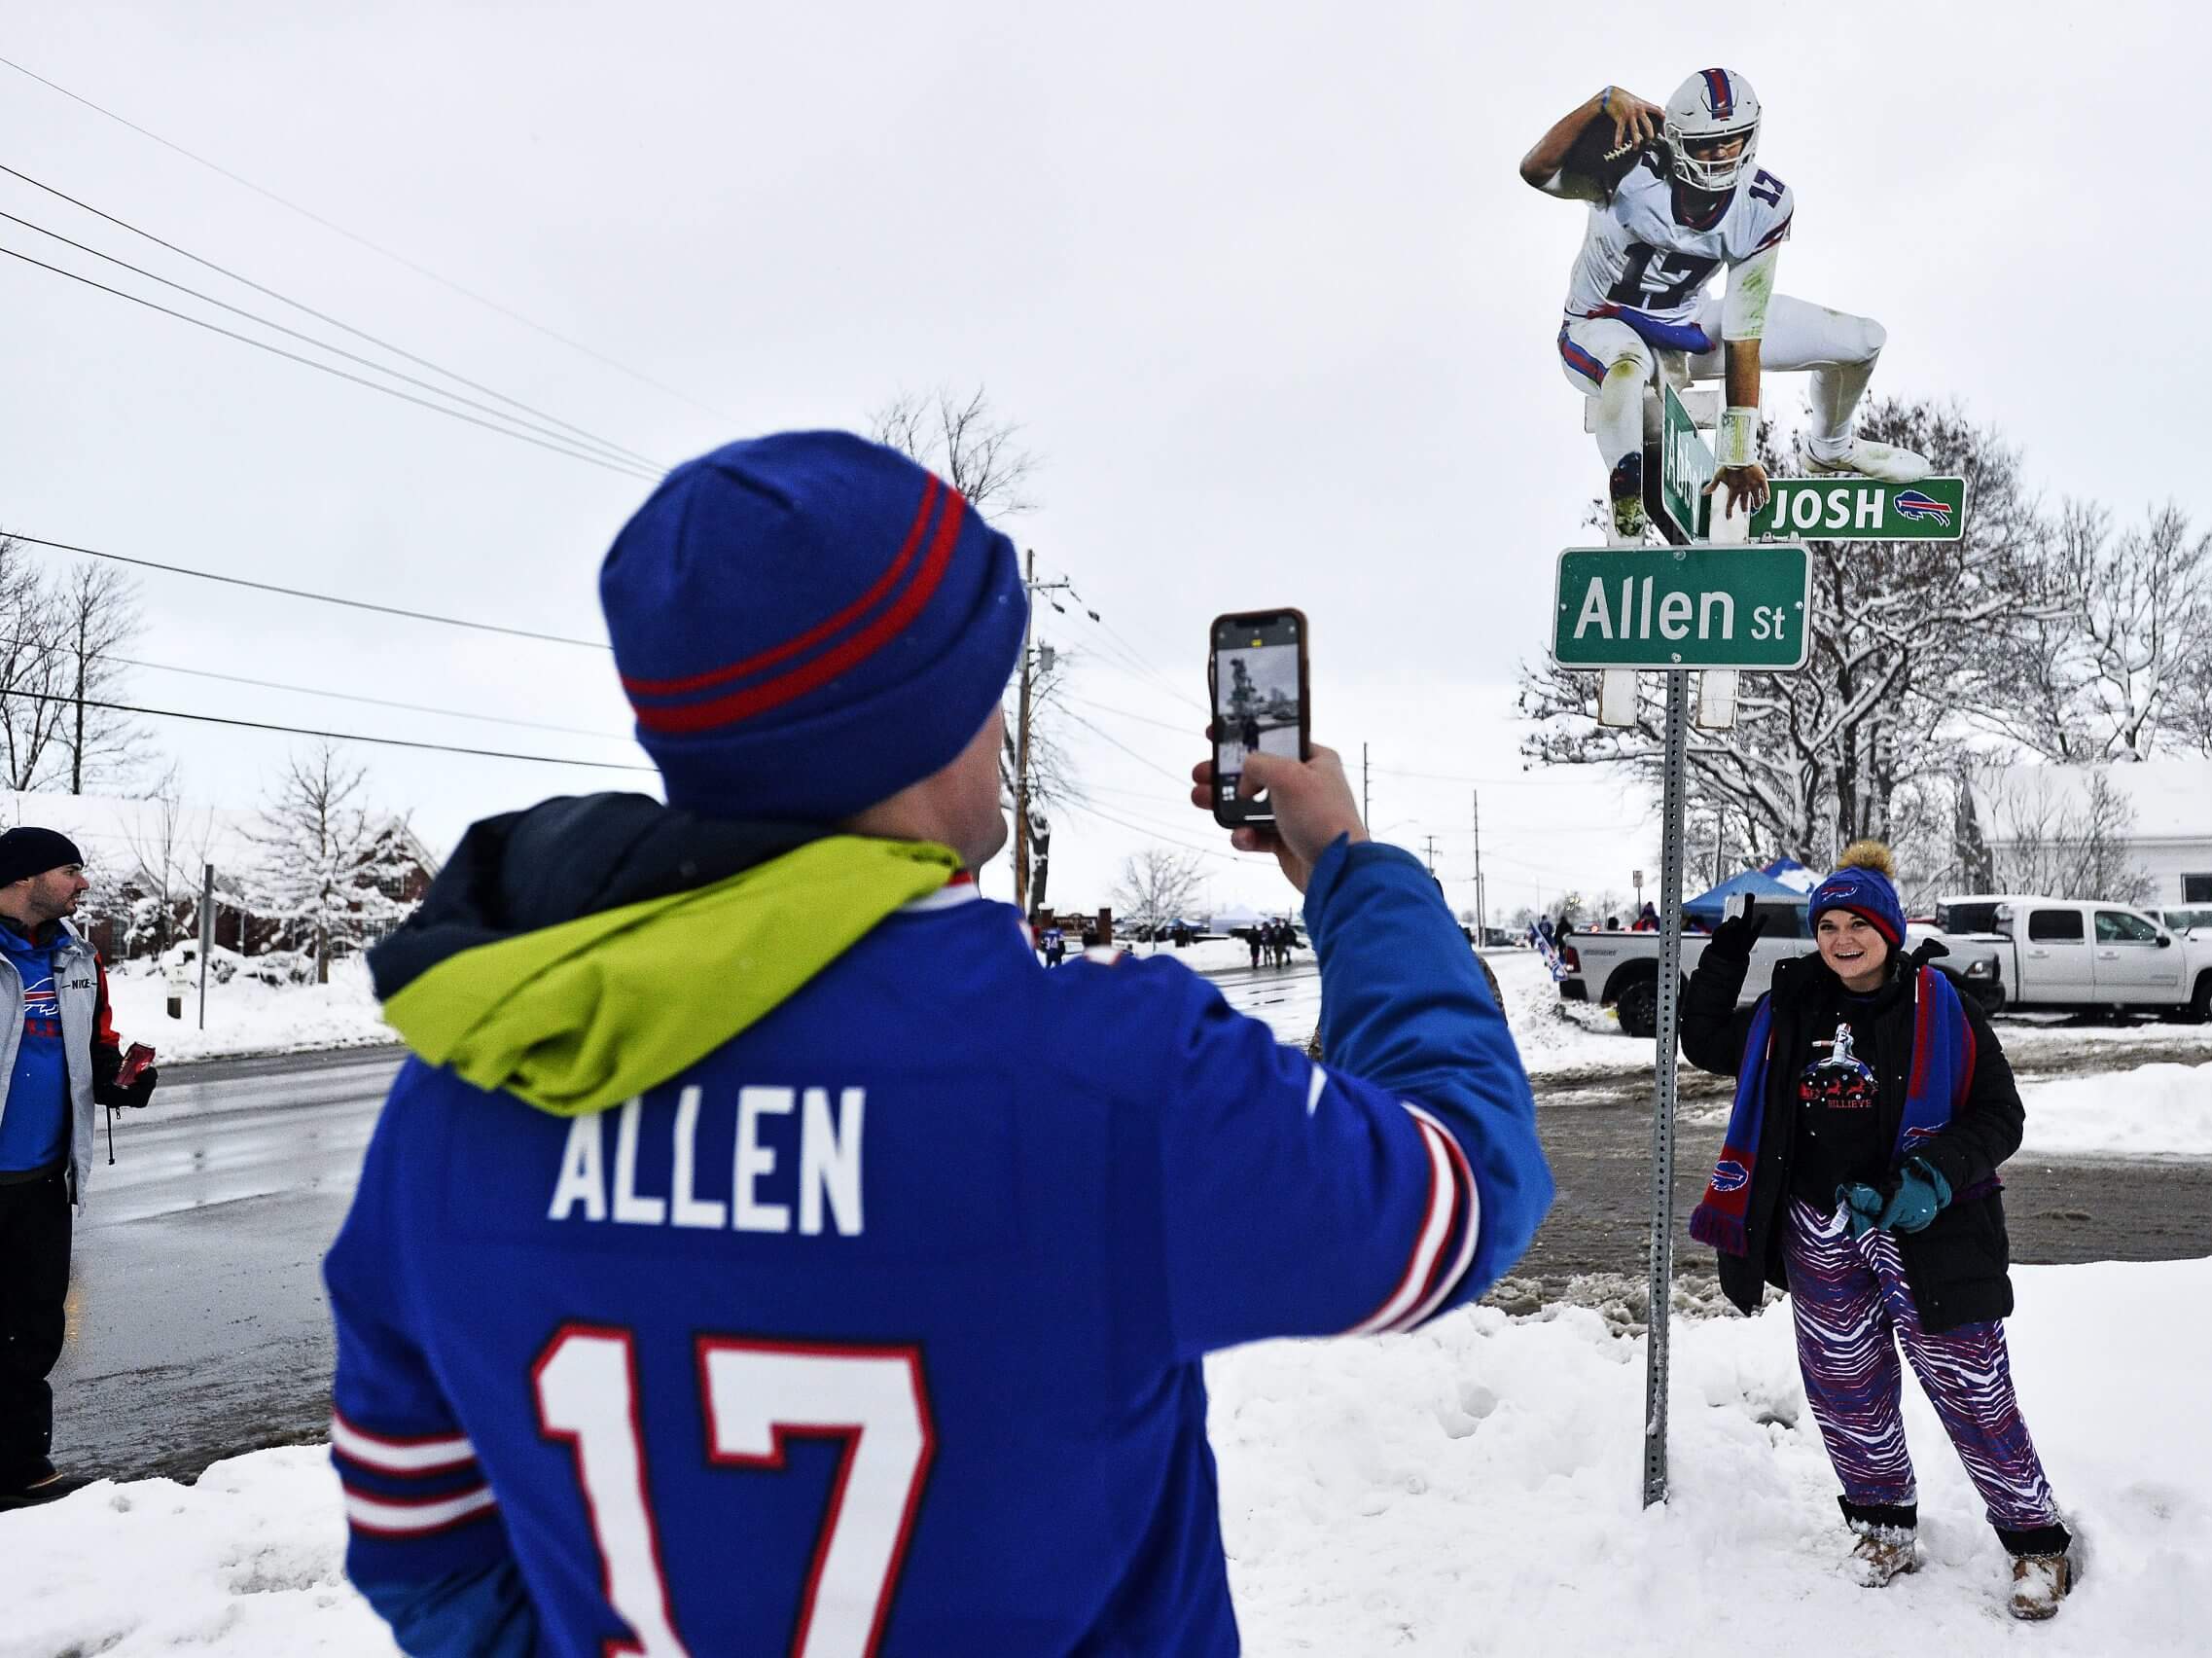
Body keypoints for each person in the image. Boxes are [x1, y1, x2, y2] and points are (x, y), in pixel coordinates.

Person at [324, 432, 1553, 1657]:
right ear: (917, 724)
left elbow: (419, 1533)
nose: (1004, 738)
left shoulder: (466, 1087)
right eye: (986, 691)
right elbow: (1464, 1180)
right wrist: (1352, 871)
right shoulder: (1110, 1077)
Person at [1682, 841, 2075, 1620]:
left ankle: (2037, 1544)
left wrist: (1933, 1177)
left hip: (1926, 1227)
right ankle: (1883, 1525)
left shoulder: (1943, 1005)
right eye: (1827, 924)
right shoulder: (1791, 1006)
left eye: (1856, 922)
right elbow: (1702, 1042)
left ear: (1888, 929)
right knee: (1846, 1388)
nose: (1840, 939)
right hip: (1817, 1225)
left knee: (1971, 1386)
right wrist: (1727, 951)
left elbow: (2001, 1116)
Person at [1520, 69, 1930, 539]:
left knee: (1862, 341)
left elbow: (1744, 332)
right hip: (1604, 320)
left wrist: (1737, 453)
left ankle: (1830, 446)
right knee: (1626, 372)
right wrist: (1602, 101)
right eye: (1705, 142)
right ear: (1674, 139)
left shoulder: (1760, 205)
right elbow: (1537, 170)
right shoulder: (1628, 166)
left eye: (1732, 140)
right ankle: (1627, 520)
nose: (1720, 153)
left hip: (1686, 323)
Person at [0, 826, 158, 1510]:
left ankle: (22, 1471)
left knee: (33, 1330)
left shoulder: (77, 961)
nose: (82, 883)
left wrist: (115, 1079)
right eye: (71, 870)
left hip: (41, 1184)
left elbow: (93, 1044)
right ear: (26, 876)